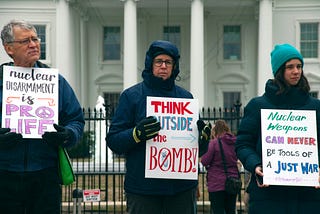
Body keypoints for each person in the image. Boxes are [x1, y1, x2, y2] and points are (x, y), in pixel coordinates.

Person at [106, 40, 211, 214]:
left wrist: (203, 140)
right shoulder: (131, 96)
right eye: (159, 61)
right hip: (143, 190)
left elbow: (196, 152)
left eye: (168, 62)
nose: (163, 66)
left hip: (181, 190)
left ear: (174, 67)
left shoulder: (186, 98)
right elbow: (113, 140)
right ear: (150, 64)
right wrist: (136, 134)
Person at [0, 20, 85, 213]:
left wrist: (67, 135)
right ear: (9, 48)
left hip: (44, 175)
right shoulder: (0, 79)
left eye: (35, 39)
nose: (34, 44)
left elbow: (76, 120)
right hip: (4, 174)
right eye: (25, 41)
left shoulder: (56, 81)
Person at [235, 43, 320, 214]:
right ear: (279, 71)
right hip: (268, 196)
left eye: (299, 66)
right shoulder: (257, 106)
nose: (296, 71)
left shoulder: (315, 107)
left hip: (308, 196)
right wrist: (256, 165)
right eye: (290, 67)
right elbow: (243, 144)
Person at [200, 120, 239, 214]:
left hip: (216, 183)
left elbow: (204, 161)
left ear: (215, 130)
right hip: (233, 183)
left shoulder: (214, 143)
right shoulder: (235, 142)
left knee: (218, 210)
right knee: (231, 210)